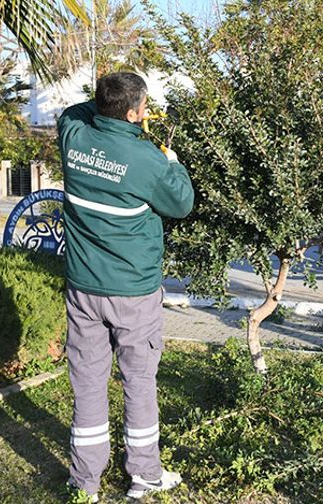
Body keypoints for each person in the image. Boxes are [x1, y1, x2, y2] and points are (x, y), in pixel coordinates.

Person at [58, 72, 194, 502]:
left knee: (88, 383)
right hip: (133, 292)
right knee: (138, 381)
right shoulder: (147, 159)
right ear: (136, 112)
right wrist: (172, 161)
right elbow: (182, 203)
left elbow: (72, 112)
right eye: (143, 107)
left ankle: (86, 483)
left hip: (83, 289)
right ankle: (144, 475)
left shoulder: (74, 135)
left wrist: (104, 108)